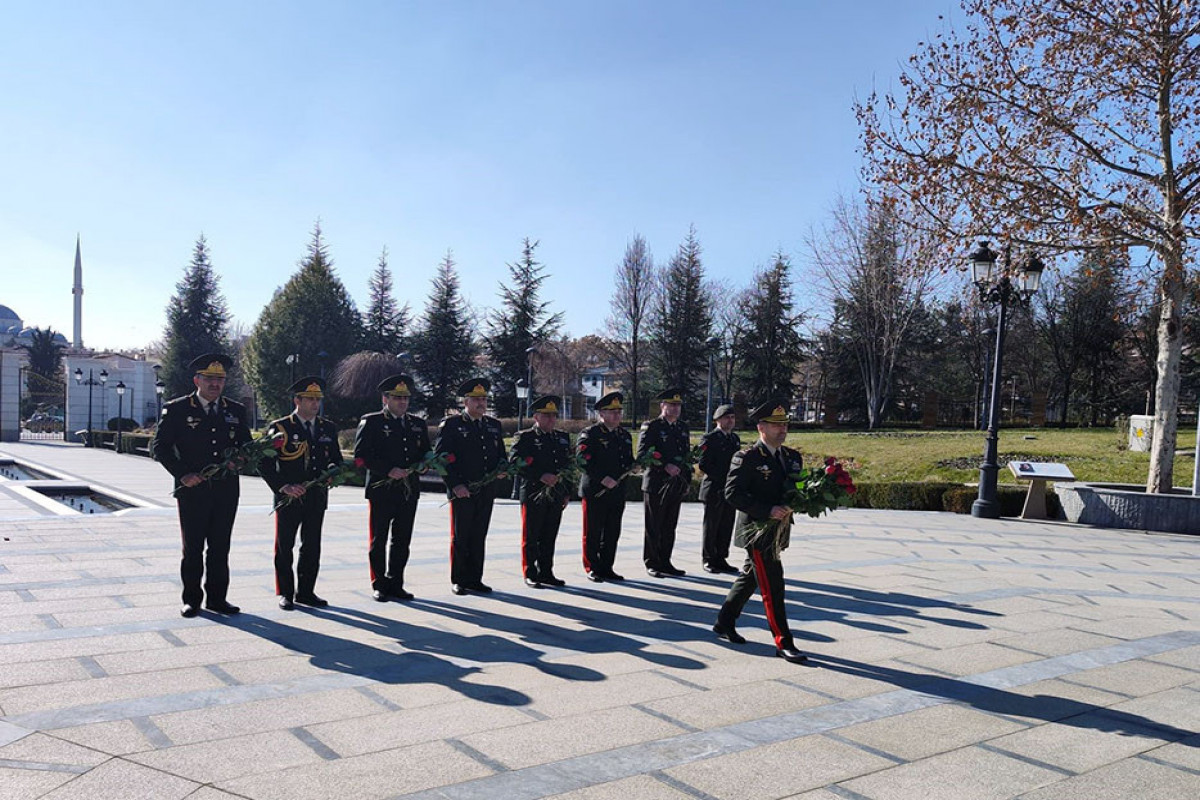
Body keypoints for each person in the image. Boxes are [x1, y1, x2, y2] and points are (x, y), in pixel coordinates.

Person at [153, 353, 250, 618]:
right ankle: (192, 599)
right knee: (193, 548)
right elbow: (160, 447)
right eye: (209, 379)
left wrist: (240, 460)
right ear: (197, 380)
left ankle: (218, 598)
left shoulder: (236, 411)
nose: (215, 384)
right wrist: (183, 475)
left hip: (226, 490)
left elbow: (246, 447)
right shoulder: (177, 409)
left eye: (220, 379)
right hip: (192, 490)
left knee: (220, 546)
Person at [713, 400, 808, 664]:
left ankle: (724, 621)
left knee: (750, 577)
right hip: (757, 532)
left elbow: (795, 490)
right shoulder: (747, 458)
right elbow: (732, 493)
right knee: (773, 584)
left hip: (777, 531)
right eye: (777, 425)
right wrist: (767, 510)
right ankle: (783, 641)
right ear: (761, 427)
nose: (783, 429)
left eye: (785, 424)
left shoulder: (791, 457)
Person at [259, 377, 344, 610]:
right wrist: (283, 486)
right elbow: (264, 463)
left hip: (316, 496)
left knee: (312, 545)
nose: (315, 403)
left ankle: (306, 592)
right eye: (310, 399)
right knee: (284, 545)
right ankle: (286, 592)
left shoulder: (327, 427)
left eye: (318, 399)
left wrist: (331, 473)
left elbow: (336, 459)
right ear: (297, 400)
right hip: (289, 496)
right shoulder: (281, 427)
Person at [353, 374, 430, 602]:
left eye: (405, 398)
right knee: (379, 539)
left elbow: (424, 451)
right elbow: (361, 456)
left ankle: (396, 582)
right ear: (385, 399)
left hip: (408, 489)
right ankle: (379, 583)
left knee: (402, 539)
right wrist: (388, 470)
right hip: (382, 489)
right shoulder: (373, 421)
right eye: (397, 398)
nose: (403, 402)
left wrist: (425, 465)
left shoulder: (417, 424)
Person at [434, 378, 508, 595]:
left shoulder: (494, 425)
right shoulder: (452, 425)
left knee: (479, 534)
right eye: (476, 399)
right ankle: (459, 579)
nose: (481, 403)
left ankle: (475, 578)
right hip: (463, 490)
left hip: (486, 489)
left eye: (484, 399)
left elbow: (500, 455)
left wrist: (503, 469)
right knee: (461, 535)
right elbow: (441, 458)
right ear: (465, 402)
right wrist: (455, 485)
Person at [510, 395, 573, 588]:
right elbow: (514, 463)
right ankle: (530, 572)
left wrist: (566, 491)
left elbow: (568, 465)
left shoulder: (562, 438)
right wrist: (539, 475)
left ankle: (546, 571)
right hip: (533, 492)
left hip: (555, 493)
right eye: (546, 416)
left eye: (554, 416)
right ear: (536, 417)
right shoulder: (526, 437)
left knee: (549, 535)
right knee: (532, 535)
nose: (552, 420)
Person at [577, 391, 634, 582]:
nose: (617, 415)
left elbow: (627, 461)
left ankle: (607, 566)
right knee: (592, 531)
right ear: (601, 414)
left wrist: (633, 467)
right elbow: (582, 461)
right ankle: (592, 567)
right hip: (595, 491)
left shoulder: (624, 435)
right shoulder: (590, 433)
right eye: (612, 411)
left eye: (619, 411)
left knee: (612, 531)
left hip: (617, 491)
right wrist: (602, 478)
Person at [637, 387, 691, 578]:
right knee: (654, 525)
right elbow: (643, 455)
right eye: (672, 405)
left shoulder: (682, 428)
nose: (676, 409)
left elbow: (686, 457)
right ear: (662, 406)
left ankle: (665, 561)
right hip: (656, 484)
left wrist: (686, 481)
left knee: (669, 526)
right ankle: (652, 562)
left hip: (675, 484)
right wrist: (664, 466)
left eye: (678, 405)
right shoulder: (652, 427)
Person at [698, 404, 741, 574]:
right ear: (717, 420)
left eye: (732, 418)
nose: (730, 421)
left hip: (730, 490)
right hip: (714, 488)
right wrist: (724, 478)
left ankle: (721, 557)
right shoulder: (709, 438)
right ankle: (708, 559)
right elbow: (704, 464)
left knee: (726, 524)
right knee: (712, 526)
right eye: (726, 418)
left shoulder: (734, 439)